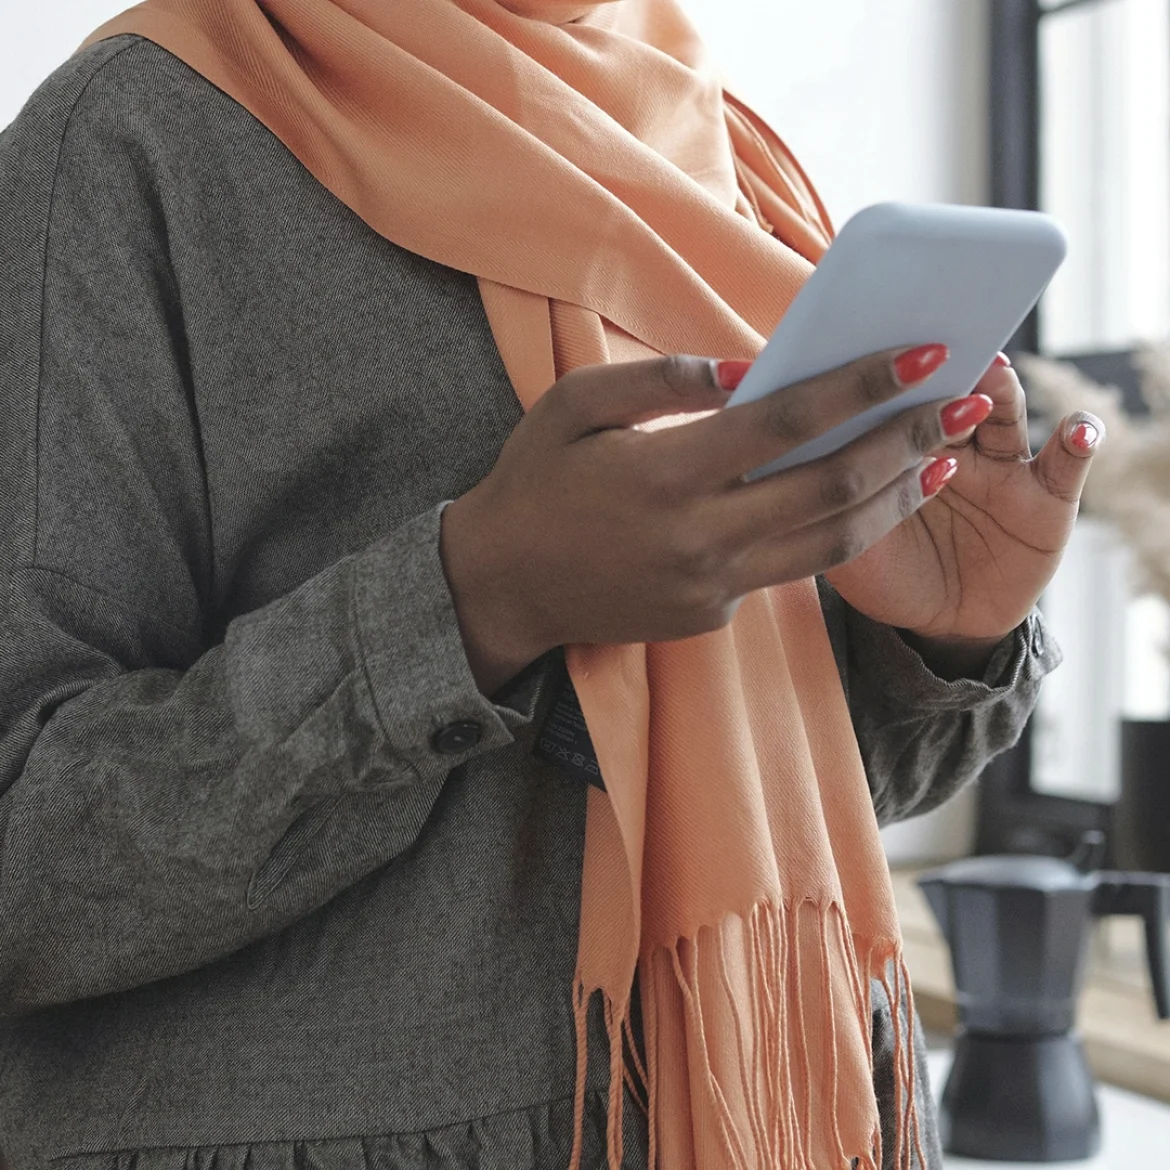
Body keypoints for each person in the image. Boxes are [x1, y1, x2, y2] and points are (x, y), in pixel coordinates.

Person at [0, 2, 1099, 1168]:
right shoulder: (136, 140)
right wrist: (474, 600)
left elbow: (707, 789)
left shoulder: (725, 154)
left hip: (780, 1103)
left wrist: (933, 644)